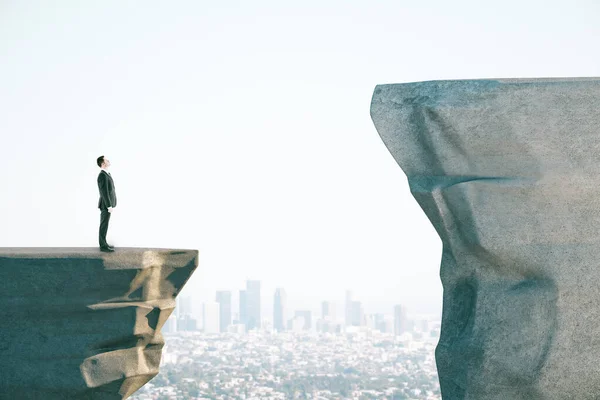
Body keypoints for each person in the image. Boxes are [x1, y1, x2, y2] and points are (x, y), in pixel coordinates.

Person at [97, 155, 117, 252]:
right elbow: (104, 192)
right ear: (103, 163)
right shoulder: (102, 175)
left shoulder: (106, 174)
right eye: (107, 160)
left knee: (105, 224)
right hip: (105, 205)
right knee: (104, 224)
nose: (109, 161)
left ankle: (104, 243)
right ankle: (103, 246)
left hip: (108, 204)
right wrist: (109, 205)